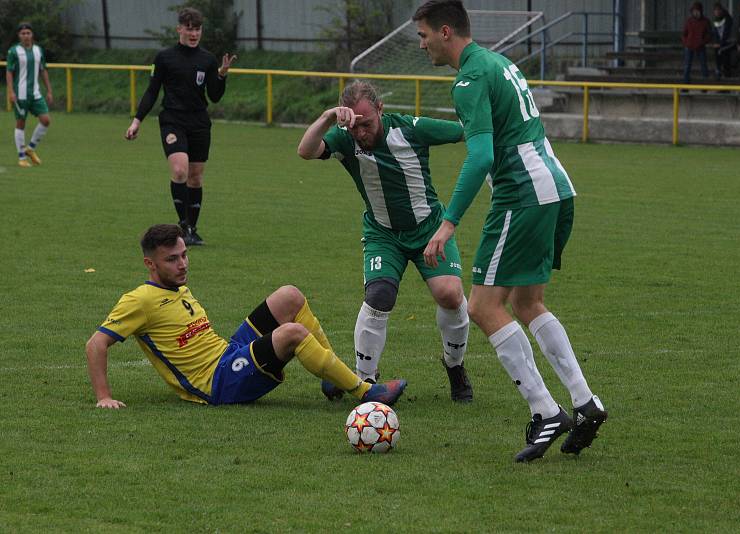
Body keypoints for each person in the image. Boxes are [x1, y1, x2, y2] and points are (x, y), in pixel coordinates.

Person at [413, 0, 607, 463]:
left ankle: (546, 411)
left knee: (482, 306)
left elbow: (480, 157)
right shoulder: (498, 62)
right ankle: (585, 402)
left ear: (444, 32)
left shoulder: (470, 78)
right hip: (556, 186)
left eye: (422, 35)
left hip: (521, 194)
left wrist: (447, 223)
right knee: (526, 302)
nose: (420, 44)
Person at [85, 224, 407, 408]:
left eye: (184, 255)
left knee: (289, 296)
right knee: (291, 333)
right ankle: (365, 392)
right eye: (171, 259)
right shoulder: (139, 301)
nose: (182, 264)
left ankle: (329, 374)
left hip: (228, 356)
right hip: (217, 385)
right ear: (150, 264)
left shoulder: (176, 287)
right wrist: (104, 397)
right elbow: (96, 344)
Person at [297, 80, 473, 403]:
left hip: (429, 228)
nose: (361, 132)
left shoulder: (411, 129)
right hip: (383, 234)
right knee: (379, 295)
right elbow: (305, 150)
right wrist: (326, 118)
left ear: (381, 110)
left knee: (450, 294)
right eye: (355, 126)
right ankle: (364, 383)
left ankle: (454, 366)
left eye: (367, 123)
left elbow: (465, 131)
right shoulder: (344, 138)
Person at [125, 8, 237, 246]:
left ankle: (192, 230)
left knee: (195, 178)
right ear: (179, 29)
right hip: (172, 120)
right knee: (179, 171)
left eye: (197, 29)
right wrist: (137, 120)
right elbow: (152, 91)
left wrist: (222, 75)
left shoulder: (207, 60)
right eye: (189, 28)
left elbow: (214, 97)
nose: (194, 33)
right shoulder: (165, 57)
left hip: (199, 122)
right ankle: (183, 224)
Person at [5, 22, 53, 168]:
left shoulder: (38, 50)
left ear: (32, 35)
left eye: (28, 33)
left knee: (46, 120)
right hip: (21, 94)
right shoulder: (14, 51)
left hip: (35, 93)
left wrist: (49, 90)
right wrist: (11, 92)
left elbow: (43, 70)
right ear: (19, 36)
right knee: (21, 123)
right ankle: (21, 158)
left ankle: (30, 149)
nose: (26, 36)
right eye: (23, 33)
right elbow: (9, 71)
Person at [682, 2, 712, 84]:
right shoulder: (689, 21)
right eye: (694, 11)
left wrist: (702, 42)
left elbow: (709, 34)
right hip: (689, 46)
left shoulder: (705, 21)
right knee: (687, 66)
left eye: (697, 11)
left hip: (700, 46)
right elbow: (684, 34)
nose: (696, 12)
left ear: (701, 11)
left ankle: (705, 86)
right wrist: (686, 43)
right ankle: (685, 85)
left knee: (704, 66)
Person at [712, 2, 736, 79]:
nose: (717, 12)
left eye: (718, 10)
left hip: (726, 45)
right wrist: (715, 43)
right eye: (715, 11)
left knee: (726, 64)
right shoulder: (715, 20)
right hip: (718, 46)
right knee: (718, 64)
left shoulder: (727, 19)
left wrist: (720, 43)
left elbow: (726, 33)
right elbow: (715, 33)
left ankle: (727, 81)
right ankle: (720, 79)